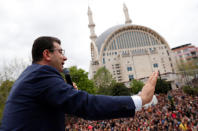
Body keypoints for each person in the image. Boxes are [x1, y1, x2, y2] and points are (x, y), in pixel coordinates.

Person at [0, 36, 158, 131]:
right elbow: (86, 104)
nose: (65, 57)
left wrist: (66, 98)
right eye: (60, 52)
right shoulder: (41, 75)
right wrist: (140, 99)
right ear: (47, 54)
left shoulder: (30, 75)